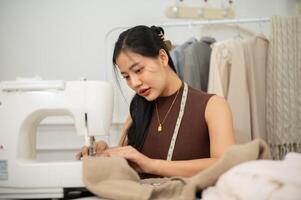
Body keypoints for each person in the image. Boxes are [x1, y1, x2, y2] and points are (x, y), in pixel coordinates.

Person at [76, 25, 235, 178]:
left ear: (163, 58)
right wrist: (105, 152)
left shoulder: (213, 106)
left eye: (138, 70)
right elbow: (130, 164)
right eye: (126, 77)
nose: (134, 83)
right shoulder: (138, 109)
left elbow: (224, 165)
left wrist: (150, 165)